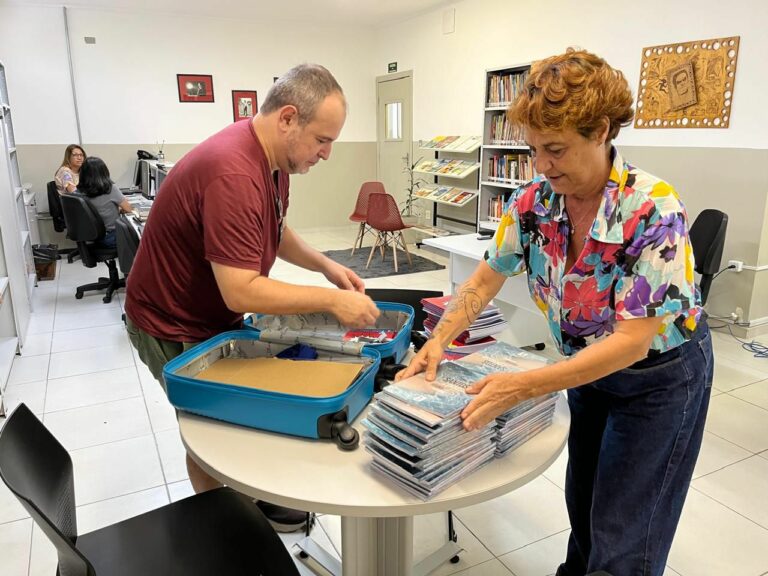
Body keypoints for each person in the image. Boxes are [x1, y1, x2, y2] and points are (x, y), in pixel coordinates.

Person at [397, 48, 712, 576]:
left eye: (556, 149)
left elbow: (633, 340)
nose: (542, 165)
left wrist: (524, 386)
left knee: (626, 536)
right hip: (586, 371)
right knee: (586, 509)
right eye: (533, 150)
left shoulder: (654, 208)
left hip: (658, 380)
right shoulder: (533, 202)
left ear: (602, 132)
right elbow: (483, 280)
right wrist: (438, 340)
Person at [124, 63, 380, 532]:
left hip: (208, 315)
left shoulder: (273, 160)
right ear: (287, 118)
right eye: (323, 140)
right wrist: (330, 301)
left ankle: (249, 503)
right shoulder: (233, 172)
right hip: (170, 321)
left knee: (239, 420)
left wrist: (327, 265)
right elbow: (240, 288)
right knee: (212, 430)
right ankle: (229, 529)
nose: (326, 154)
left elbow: (273, 229)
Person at [76, 157, 135, 248]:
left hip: (91, 238)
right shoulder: (110, 189)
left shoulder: (78, 192)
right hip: (110, 237)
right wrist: (121, 207)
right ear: (104, 172)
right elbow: (129, 209)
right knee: (139, 235)